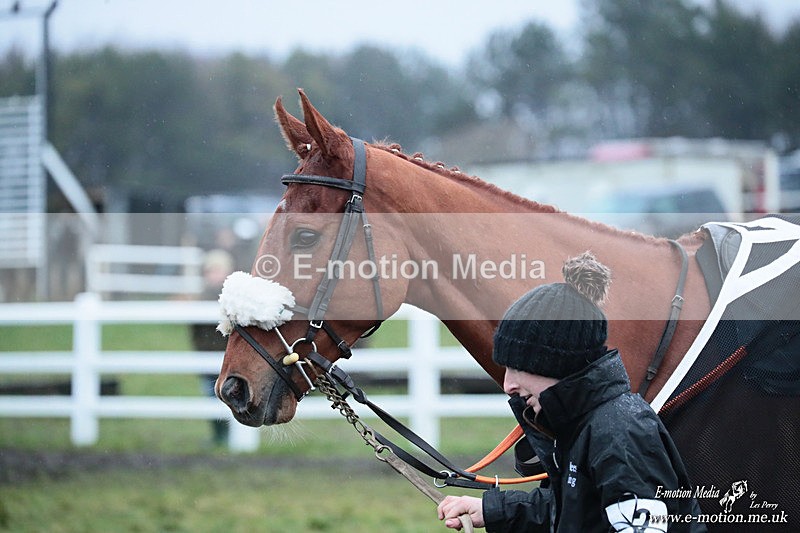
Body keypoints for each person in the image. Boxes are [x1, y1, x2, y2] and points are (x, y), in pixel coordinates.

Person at [437, 252, 705, 532]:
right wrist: (491, 510)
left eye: (518, 368)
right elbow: (574, 512)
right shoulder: (585, 425)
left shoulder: (619, 435)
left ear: (556, 363)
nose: (508, 385)